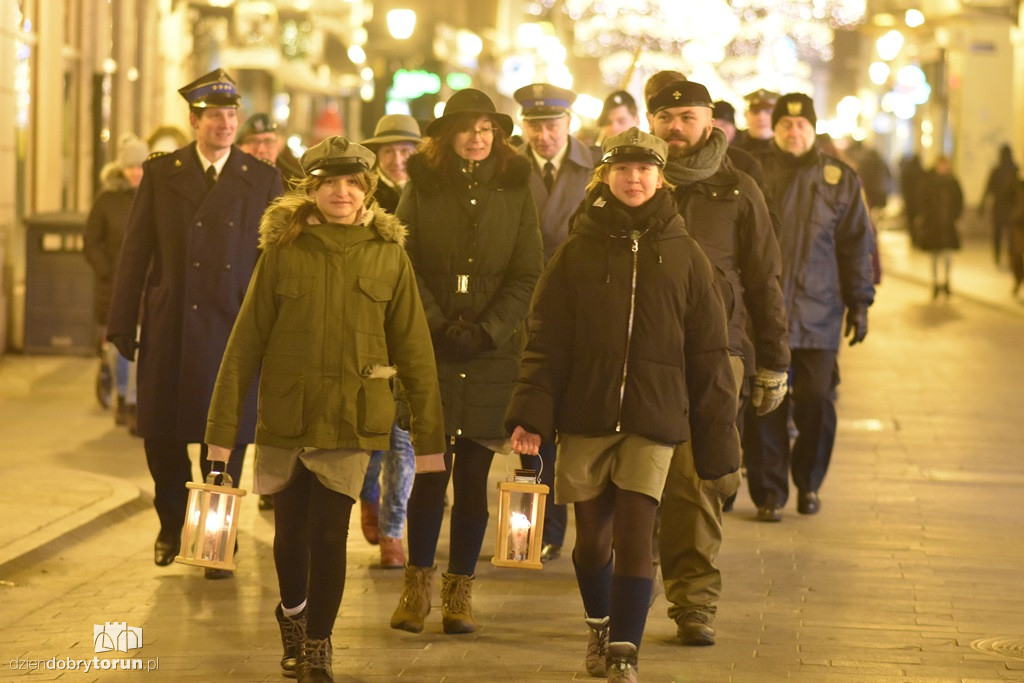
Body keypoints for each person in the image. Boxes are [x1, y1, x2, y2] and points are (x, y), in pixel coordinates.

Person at [204, 136, 445, 682]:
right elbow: (243, 346)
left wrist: (430, 443)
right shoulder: (283, 251)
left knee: (328, 533)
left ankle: (317, 644)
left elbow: (415, 353)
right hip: (287, 418)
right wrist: (220, 434)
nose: (342, 192)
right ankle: (293, 615)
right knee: (290, 534)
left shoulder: (388, 255)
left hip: (352, 418)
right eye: (330, 183)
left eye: (353, 183)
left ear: (368, 191)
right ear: (312, 190)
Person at [506, 127, 739, 682]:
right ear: (605, 177)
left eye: (645, 170)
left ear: (662, 178)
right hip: (586, 414)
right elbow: (545, 339)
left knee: (638, 536)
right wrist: (531, 416)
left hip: (653, 418)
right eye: (623, 170)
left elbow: (709, 353)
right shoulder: (576, 250)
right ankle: (599, 623)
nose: (634, 180)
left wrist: (718, 441)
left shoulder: (687, 256)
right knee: (592, 543)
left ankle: (623, 654)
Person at [106, 68, 283, 575]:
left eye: (231, 115)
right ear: (194, 121)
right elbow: (135, 249)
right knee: (161, 439)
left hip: (233, 326)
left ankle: (213, 541)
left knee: (224, 443)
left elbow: (272, 261)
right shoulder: (163, 173)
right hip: (172, 325)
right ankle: (170, 524)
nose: (225, 124)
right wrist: (122, 320)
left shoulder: (262, 177)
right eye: (214, 116)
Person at [389, 88, 543, 636]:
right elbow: (401, 260)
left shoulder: (516, 185)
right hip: (431, 349)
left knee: (474, 478)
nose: (478, 138)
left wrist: (488, 330)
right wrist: (435, 325)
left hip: (490, 355)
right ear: (447, 135)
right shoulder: (422, 186)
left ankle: (459, 594)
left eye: (486, 128)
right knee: (431, 475)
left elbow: (528, 270)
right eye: (467, 128)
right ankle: (416, 588)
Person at [644, 78, 789, 646]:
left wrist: (773, 360)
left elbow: (763, 281)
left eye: (687, 116)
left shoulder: (738, 189)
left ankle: (693, 602)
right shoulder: (631, 181)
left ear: (710, 122)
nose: (675, 127)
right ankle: (619, 594)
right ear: (651, 122)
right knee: (625, 477)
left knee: (696, 480)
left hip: (714, 353)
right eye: (665, 117)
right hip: (636, 353)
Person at [744, 93, 876, 522]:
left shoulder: (839, 179)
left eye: (801, 126)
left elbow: (856, 244)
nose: (793, 132)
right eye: (785, 125)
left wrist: (859, 302)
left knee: (817, 399)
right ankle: (769, 492)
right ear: (776, 129)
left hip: (819, 314)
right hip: (765, 314)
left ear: (813, 130)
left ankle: (810, 482)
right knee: (767, 401)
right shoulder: (755, 174)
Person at [512, 83, 601, 562]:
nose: (543, 136)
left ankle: (563, 519)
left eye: (551, 125)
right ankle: (535, 524)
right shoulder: (509, 168)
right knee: (531, 417)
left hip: (578, 309)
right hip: (524, 307)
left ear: (570, 125)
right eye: (534, 126)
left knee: (571, 419)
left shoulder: (597, 167)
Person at [357, 113, 424, 567]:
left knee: (404, 433)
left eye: (406, 151)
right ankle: (367, 492)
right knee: (369, 432)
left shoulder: (432, 193)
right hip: (369, 325)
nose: (398, 159)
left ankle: (393, 530)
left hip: (415, 325)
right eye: (389, 151)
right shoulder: (362, 198)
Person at [84, 133, 148, 430]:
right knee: (116, 346)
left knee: (138, 343)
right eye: (130, 167)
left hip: (147, 286)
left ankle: (133, 402)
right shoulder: (107, 200)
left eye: (140, 166)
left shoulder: (153, 197)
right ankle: (122, 394)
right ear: (121, 168)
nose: (135, 172)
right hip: (113, 286)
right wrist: (107, 270)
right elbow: (91, 241)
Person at [915, 156, 963, 298]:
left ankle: (947, 281)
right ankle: (935, 282)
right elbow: (921, 200)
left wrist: (955, 215)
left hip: (948, 225)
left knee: (948, 254)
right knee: (934, 255)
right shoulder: (929, 182)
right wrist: (926, 216)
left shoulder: (953, 182)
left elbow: (959, 200)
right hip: (933, 225)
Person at [237, 112, 304, 188]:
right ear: (239, 147)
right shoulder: (228, 181)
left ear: (279, 145)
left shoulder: (296, 185)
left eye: (268, 141)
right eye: (253, 142)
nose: (261, 150)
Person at [982, 144, 1019, 266]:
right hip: (1010, 208)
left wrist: (982, 203)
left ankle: (998, 257)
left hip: (1002, 207)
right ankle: (1008, 258)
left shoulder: (999, 170)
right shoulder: (1015, 169)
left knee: (999, 234)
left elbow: (988, 188)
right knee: (1009, 236)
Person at [732, 89, 779, 156]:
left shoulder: (788, 150)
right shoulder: (734, 151)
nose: (761, 118)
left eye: (768, 112)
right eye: (755, 111)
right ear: (745, 115)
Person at [899, 153, 927, 248]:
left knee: (911, 221)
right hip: (918, 202)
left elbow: (903, 186)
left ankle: (913, 239)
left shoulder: (907, 172)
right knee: (919, 221)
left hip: (909, 201)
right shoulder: (922, 172)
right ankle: (919, 239)